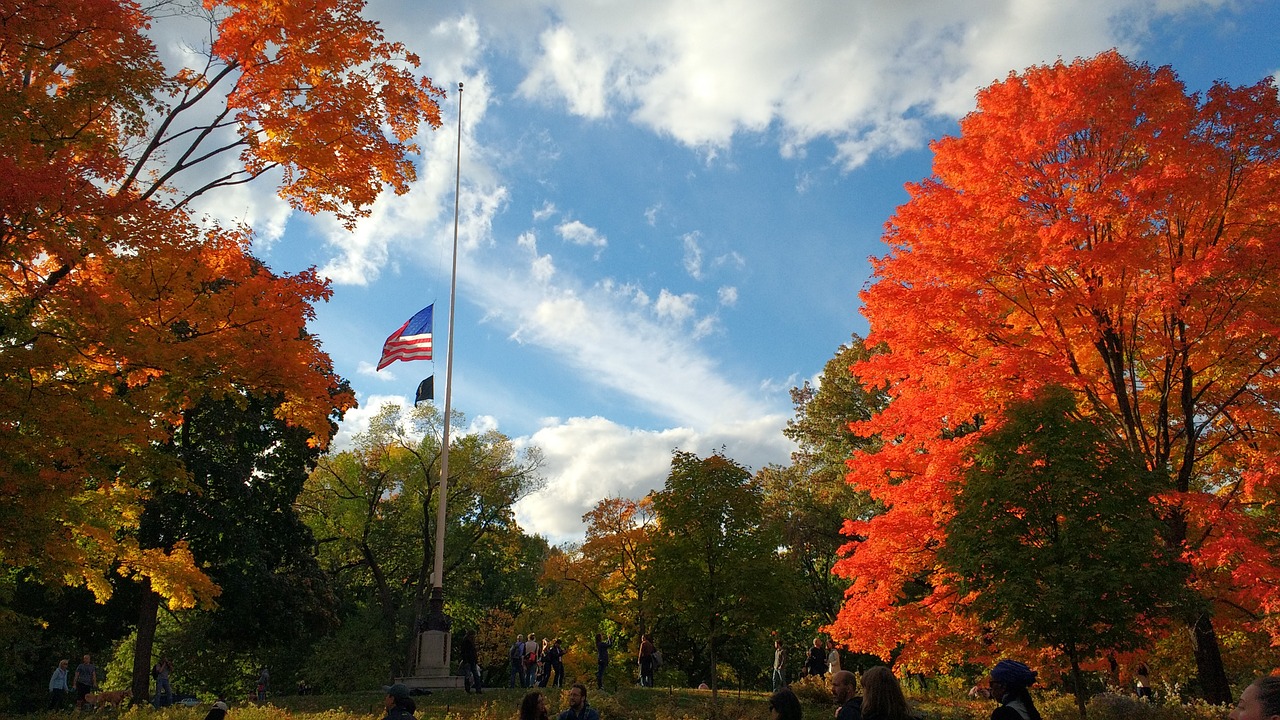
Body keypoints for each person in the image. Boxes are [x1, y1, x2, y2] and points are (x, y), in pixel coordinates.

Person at [459, 630, 482, 694]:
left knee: (473, 675)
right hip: (469, 661)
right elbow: (464, 652)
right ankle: (470, 689)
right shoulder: (467, 642)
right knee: (469, 675)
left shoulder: (469, 642)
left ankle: (475, 689)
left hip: (471, 661)